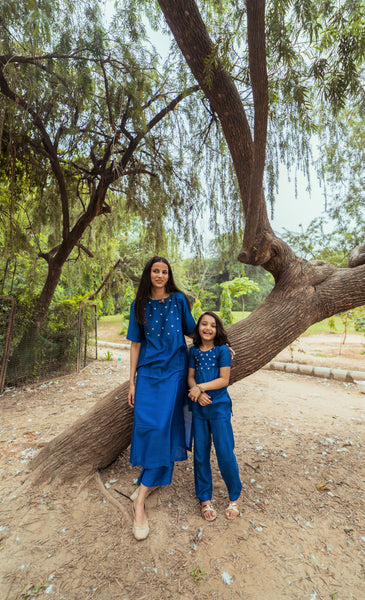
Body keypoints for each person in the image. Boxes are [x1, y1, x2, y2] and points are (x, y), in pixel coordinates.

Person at [127, 256, 196, 540]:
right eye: (156, 271)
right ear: (149, 274)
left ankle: (140, 498)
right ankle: (151, 477)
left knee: (162, 427)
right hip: (148, 374)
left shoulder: (179, 300)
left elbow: (193, 330)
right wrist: (131, 382)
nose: (160, 275)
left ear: (169, 276)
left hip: (174, 373)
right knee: (146, 425)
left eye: (164, 271)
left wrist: (223, 345)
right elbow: (135, 344)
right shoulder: (139, 305)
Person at [188, 311, 242, 522]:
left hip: (219, 407)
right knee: (200, 454)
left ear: (217, 328)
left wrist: (200, 388)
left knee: (224, 452)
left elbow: (224, 380)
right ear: (198, 328)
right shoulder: (193, 352)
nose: (207, 328)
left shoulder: (222, 351)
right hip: (199, 409)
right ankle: (205, 499)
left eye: (212, 325)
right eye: (204, 324)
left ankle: (234, 496)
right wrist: (197, 392)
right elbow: (190, 377)